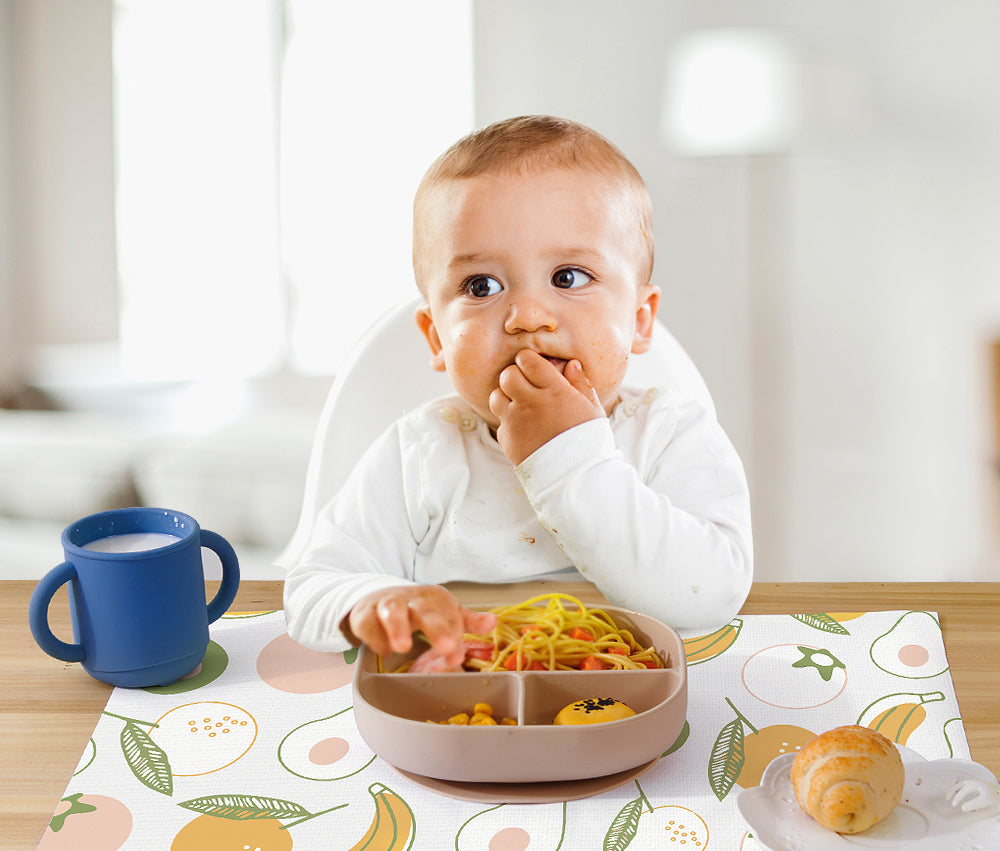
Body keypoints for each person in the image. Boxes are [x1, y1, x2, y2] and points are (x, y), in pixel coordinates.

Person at [284, 115, 752, 669]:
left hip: (625, 693)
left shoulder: (670, 434)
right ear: (436, 337)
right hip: (461, 705)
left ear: (640, 319)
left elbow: (714, 595)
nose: (527, 317)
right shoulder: (420, 453)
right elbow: (311, 587)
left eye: (569, 276)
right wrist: (373, 600)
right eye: (481, 286)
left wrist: (567, 455)